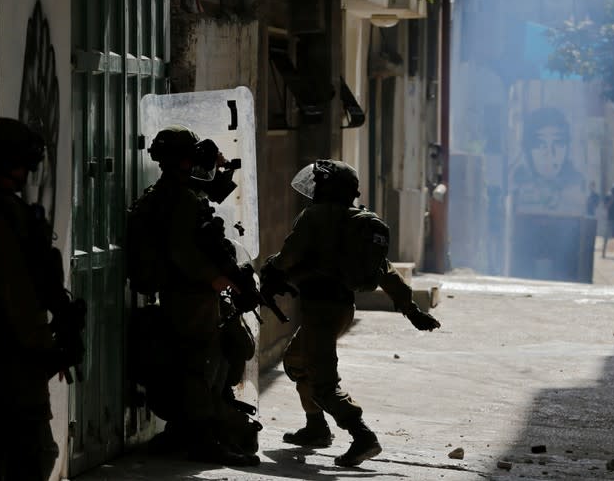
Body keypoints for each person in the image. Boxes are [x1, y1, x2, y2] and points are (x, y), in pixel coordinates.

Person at [261, 159, 441, 467]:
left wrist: (271, 266)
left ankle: (363, 438)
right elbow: (386, 272)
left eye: (318, 182)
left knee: (323, 383)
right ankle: (316, 427)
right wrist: (411, 311)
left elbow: (289, 254)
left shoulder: (314, 216)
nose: (314, 187)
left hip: (321, 309)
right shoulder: (356, 223)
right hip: (342, 309)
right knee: (295, 360)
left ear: (328, 187)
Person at [139, 125, 259, 467]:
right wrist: (216, 279)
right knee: (200, 366)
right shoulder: (179, 198)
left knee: (192, 363)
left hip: (183, 292)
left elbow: (210, 200)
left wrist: (222, 169)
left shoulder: (171, 191)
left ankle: (181, 430)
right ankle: (203, 441)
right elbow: (183, 251)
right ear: (184, 159)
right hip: (191, 294)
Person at [0, 118, 76, 481]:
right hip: (7, 363)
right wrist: (47, 348)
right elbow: (15, 293)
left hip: (7, 360)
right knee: (31, 455)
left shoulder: (5, 211)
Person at [511, 107, 586, 215]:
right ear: (527, 149)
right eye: (540, 145)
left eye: (558, 143)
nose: (550, 153)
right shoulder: (518, 185)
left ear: (568, 148)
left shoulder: (577, 186)